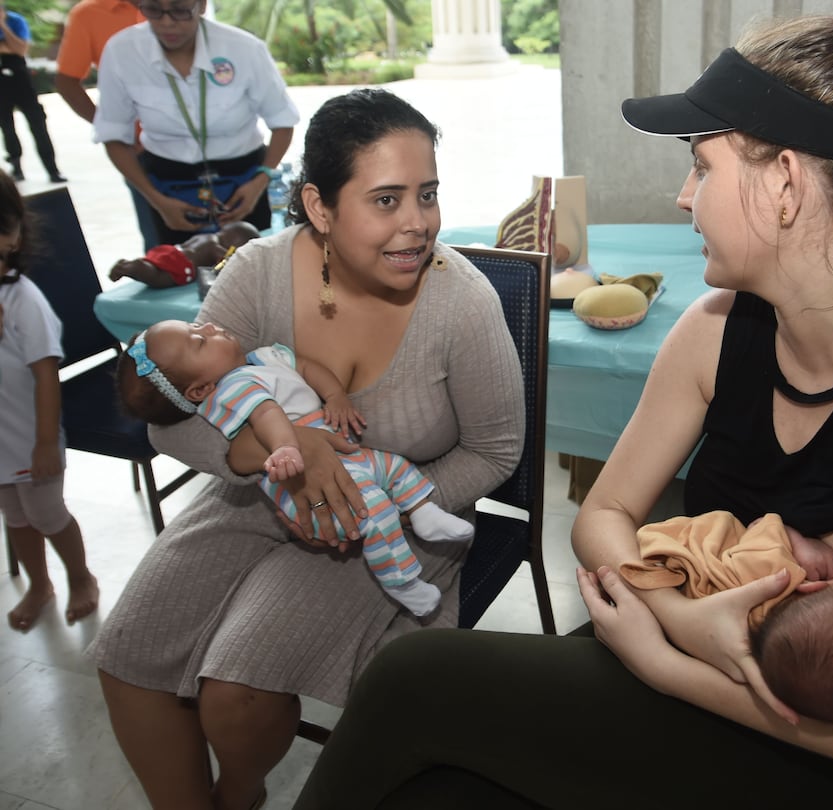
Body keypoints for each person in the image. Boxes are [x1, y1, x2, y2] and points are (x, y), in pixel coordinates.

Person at [293, 16, 833, 810]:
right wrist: (686, 618)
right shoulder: (717, 327)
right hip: (686, 657)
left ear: (785, 182)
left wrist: (667, 660)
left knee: (414, 678)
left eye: (701, 167)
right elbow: (603, 512)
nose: (684, 197)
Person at [86, 85, 524, 810]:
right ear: (320, 207)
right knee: (128, 654)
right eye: (387, 200)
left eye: (428, 194)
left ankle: (240, 794)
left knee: (236, 693)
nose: (418, 224)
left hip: (384, 520)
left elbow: (495, 452)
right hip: (250, 499)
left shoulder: (462, 304)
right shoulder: (258, 270)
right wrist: (274, 460)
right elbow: (174, 409)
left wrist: (366, 496)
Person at [117, 320, 475, 615]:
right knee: (372, 510)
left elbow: (305, 366)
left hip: (340, 453)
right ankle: (404, 583)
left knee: (393, 467)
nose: (210, 326)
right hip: (304, 475)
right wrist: (288, 446)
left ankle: (422, 511)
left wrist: (334, 395)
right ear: (200, 390)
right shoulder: (232, 389)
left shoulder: (260, 360)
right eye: (199, 340)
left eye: (198, 324)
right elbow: (267, 413)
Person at [622, 511, 833, 724]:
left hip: (661, 558)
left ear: (812, 587)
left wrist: (798, 542)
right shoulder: (766, 654)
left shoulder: (776, 569)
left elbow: (762, 524)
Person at [93, 0, 299, 246]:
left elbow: (283, 122)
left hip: (243, 183)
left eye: (180, 10)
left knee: (257, 266)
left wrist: (260, 182)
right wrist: (157, 201)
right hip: (168, 186)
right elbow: (113, 136)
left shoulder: (244, 49)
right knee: (178, 272)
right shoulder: (122, 52)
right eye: (154, 10)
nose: (167, 22)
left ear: (201, 5)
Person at [0, 171, 97, 631]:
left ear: (13, 236)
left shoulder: (23, 301)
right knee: (15, 516)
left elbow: (45, 375)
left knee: (46, 513)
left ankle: (80, 577)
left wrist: (43, 442)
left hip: (28, 437)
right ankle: (40, 585)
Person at [54, 0, 157, 251]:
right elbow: (66, 81)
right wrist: (115, 129)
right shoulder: (88, 14)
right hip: (142, 150)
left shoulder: (178, 5)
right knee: (161, 242)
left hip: (204, 142)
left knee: (228, 232)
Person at [0, 3, 66, 183]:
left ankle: (52, 169)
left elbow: (21, 49)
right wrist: (8, 47)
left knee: (38, 123)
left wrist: (4, 27)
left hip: (20, 77)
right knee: (6, 126)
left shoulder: (15, 21)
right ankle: (16, 166)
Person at [108, 220, 259, 287]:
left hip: (170, 250)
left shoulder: (206, 236)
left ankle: (137, 265)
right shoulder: (214, 247)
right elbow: (228, 262)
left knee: (154, 266)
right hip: (182, 262)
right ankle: (136, 268)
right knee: (160, 278)